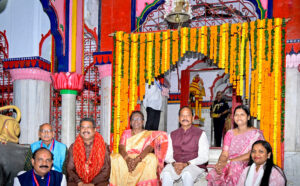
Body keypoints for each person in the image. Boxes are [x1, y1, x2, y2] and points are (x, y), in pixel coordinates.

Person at [206, 105, 265, 185]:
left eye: (242, 114)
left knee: (234, 166)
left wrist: (229, 162)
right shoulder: (230, 133)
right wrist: (220, 163)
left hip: (248, 163)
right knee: (220, 170)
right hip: (229, 163)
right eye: (236, 115)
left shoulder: (256, 134)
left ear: (248, 117)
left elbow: (252, 154)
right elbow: (225, 153)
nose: (239, 117)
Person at [110, 111, 168, 186]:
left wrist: (137, 159)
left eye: (139, 119)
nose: (136, 121)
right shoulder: (126, 133)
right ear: (130, 122)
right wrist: (127, 159)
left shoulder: (148, 134)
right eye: (133, 119)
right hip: (126, 158)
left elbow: (149, 148)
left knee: (152, 158)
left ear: (143, 121)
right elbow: (121, 147)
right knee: (114, 157)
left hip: (141, 158)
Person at [160, 106, 209, 186]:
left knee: (187, 173)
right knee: (166, 173)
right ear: (179, 118)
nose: (185, 118)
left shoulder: (201, 134)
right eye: (182, 115)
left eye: (188, 115)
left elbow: (204, 157)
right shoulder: (172, 134)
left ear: (193, 118)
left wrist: (187, 164)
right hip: (175, 164)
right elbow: (167, 155)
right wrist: (174, 163)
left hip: (194, 166)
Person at [67, 118, 110, 186]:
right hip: (77, 181)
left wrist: (92, 183)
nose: (85, 130)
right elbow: (70, 169)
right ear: (80, 130)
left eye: (88, 127)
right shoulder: (73, 147)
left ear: (94, 130)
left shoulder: (103, 146)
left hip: (98, 181)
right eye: (83, 127)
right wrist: (79, 182)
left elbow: (106, 170)